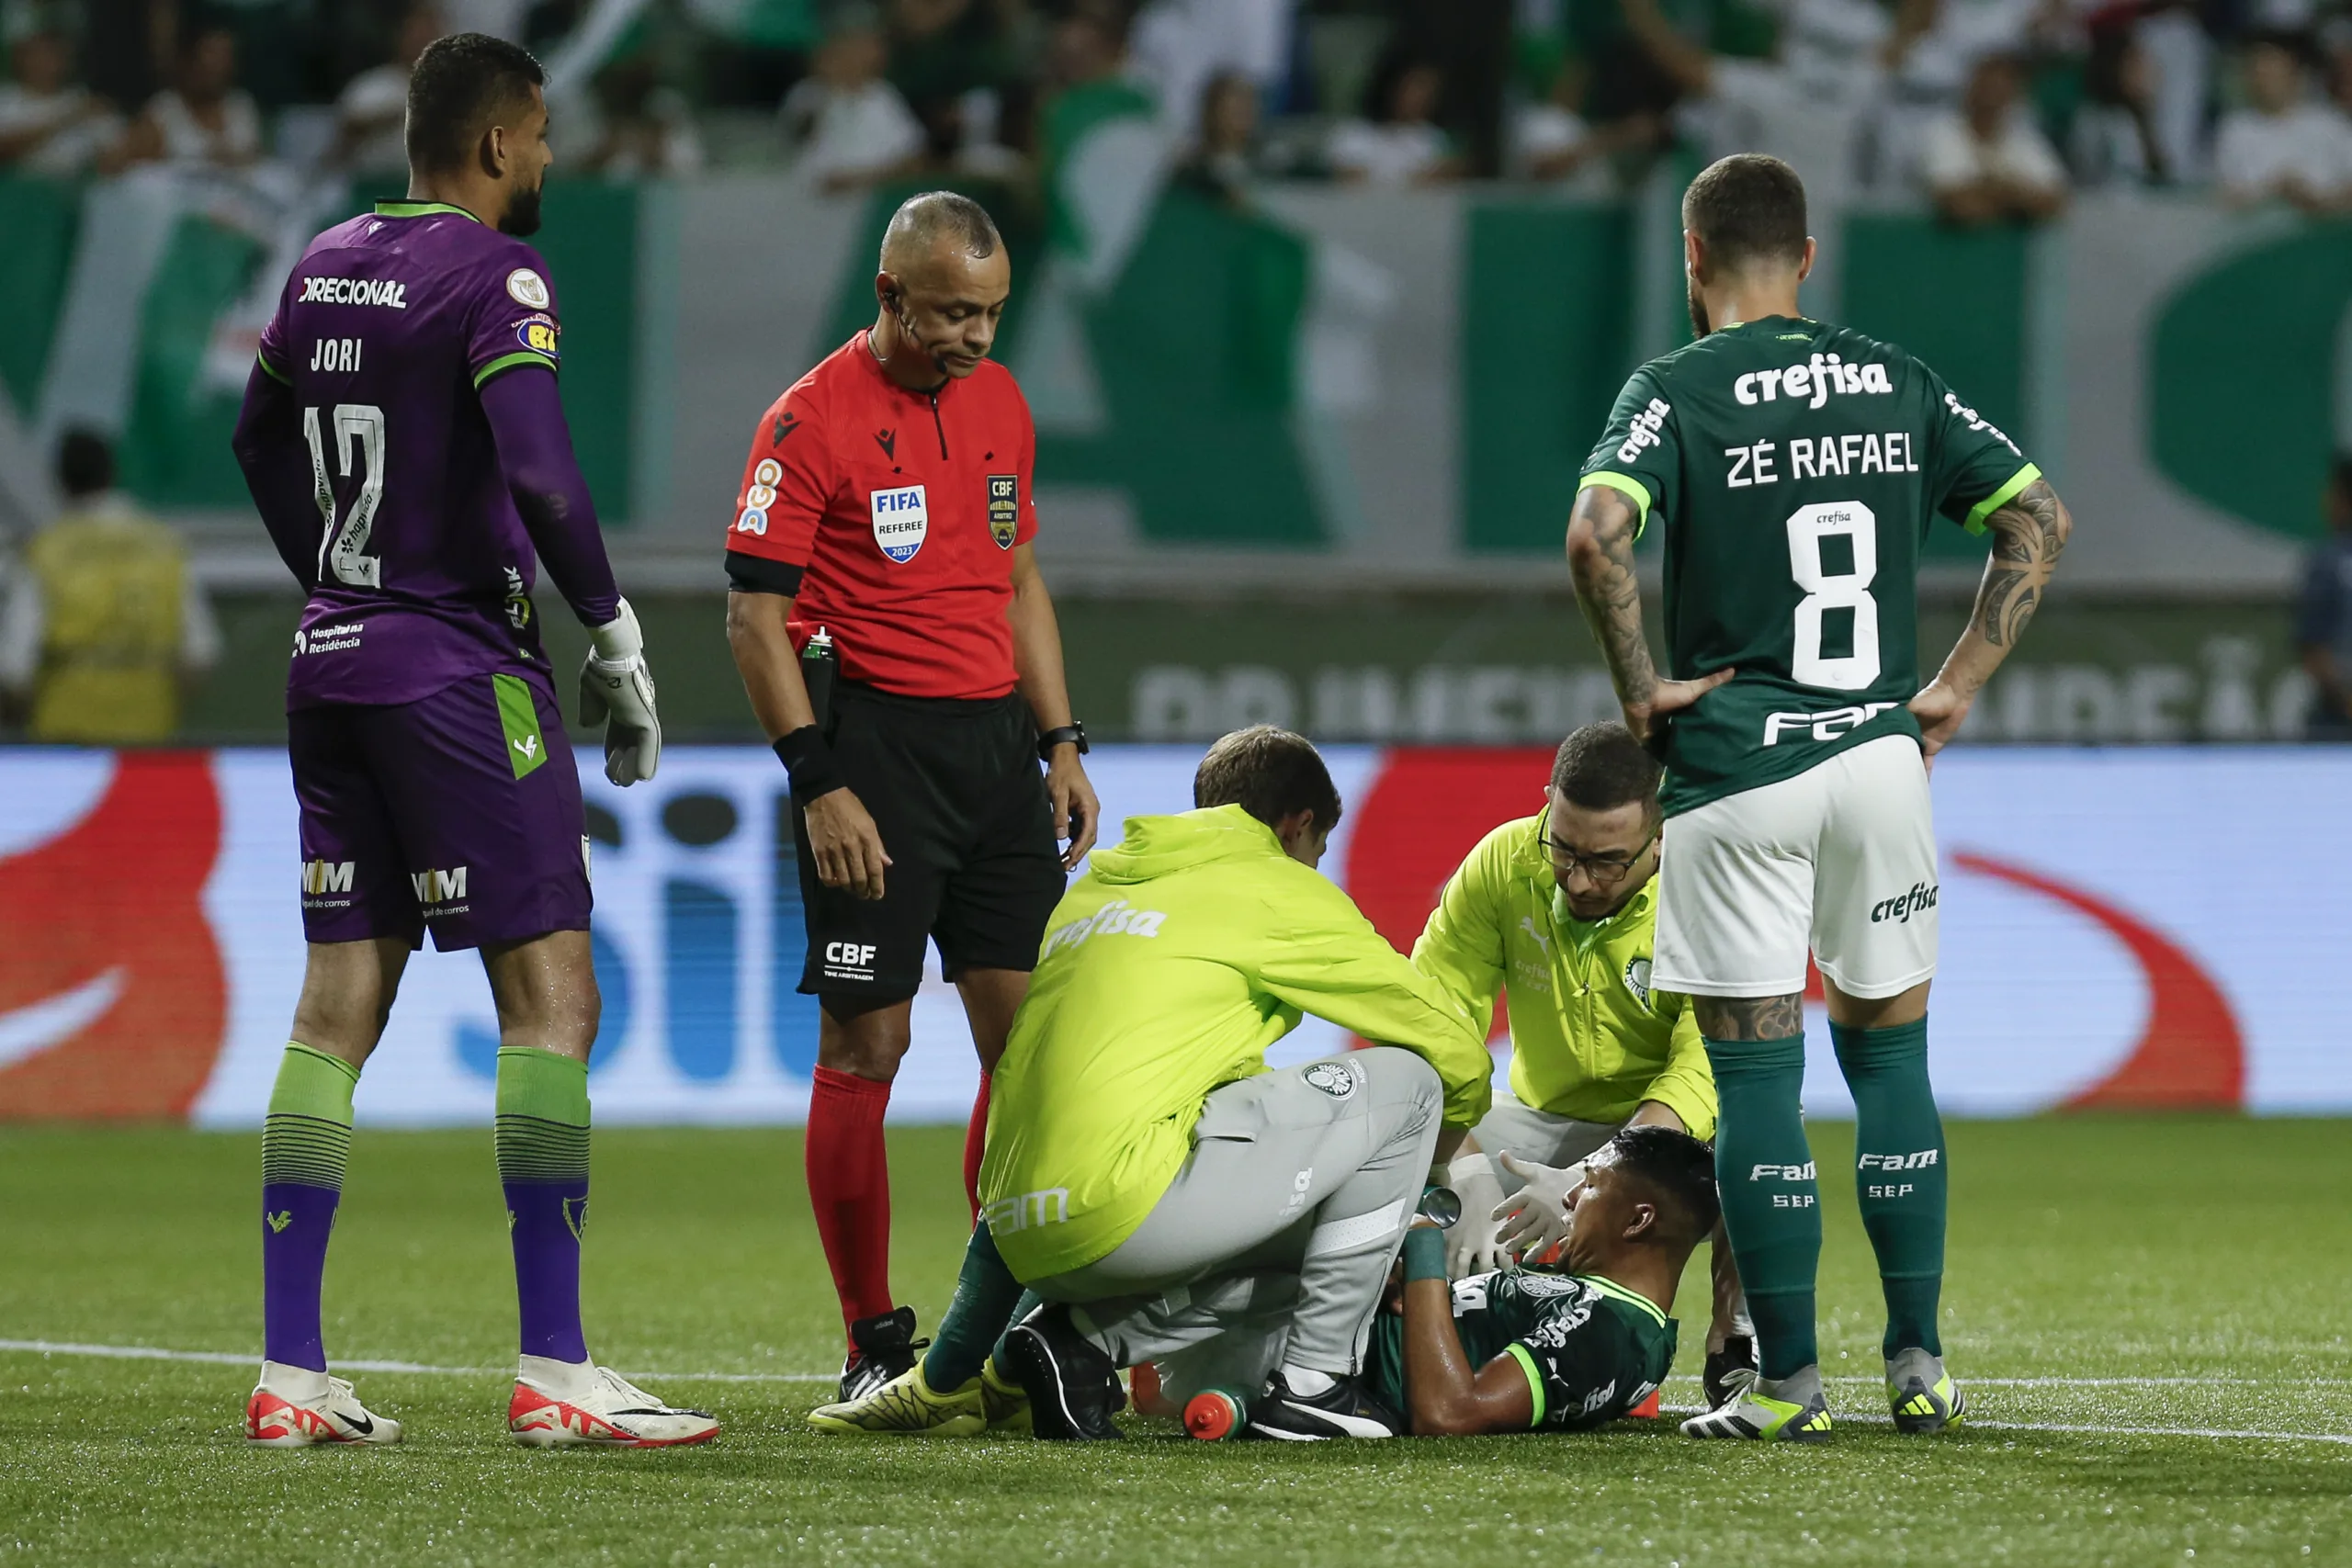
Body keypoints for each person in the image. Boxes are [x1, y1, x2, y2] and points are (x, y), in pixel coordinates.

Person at [228, 31, 708, 1450]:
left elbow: (260, 434)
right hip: (457, 667)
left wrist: (333, 576)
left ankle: (290, 1371)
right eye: (544, 136)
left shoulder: (323, 259)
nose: (550, 159)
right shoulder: (494, 273)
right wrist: (613, 634)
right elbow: (544, 472)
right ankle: (556, 1363)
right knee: (554, 998)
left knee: (335, 1006)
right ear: (497, 142)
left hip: (332, 660)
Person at [1566, 152, 2073, 1440]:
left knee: (1755, 1088)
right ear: (1805, 260)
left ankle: (1788, 1385)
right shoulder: (1894, 377)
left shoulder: (1673, 390)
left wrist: (1639, 687)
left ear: (1692, 262)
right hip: (1875, 763)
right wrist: (1954, 683)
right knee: (1892, 1058)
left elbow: (1596, 533)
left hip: (1738, 768)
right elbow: (2039, 521)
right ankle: (1922, 1362)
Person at [805, 726, 1493, 1441]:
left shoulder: (1098, 888)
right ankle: (1318, 1384)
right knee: (1410, 1083)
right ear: (1300, 826)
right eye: (1315, 855)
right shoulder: (1272, 887)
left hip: (1017, 1228)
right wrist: (1457, 1164)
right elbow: (1450, 1044)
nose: (1313, 868)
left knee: (1330, 1209)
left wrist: (948, 1371)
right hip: (1127, 1219)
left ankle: (1065, 1346)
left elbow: (1040, 1101)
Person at [723, 190, 1102, 1403]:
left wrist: (1060, 739)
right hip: (870, 754)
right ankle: (869, 1332)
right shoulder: (809, 419)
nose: (975, 336)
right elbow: (751, 614)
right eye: (950, 313)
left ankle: (1015, 1314)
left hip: (994, 755)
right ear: (890, 295)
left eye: (989, 313)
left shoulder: (1001, 404)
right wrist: (817, 781)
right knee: (867, 1041)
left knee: (1028, 1045)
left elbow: (1020, 578)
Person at [1411, 721, 1753, 1408]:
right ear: (1548, 801)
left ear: (1661, 837)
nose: (1576, 877)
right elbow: (1431, 1023)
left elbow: (1700, 1067)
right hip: (1534, 1124)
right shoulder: (1504, 864)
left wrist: (1592, 1175)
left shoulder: (1711, 893)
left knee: (1765, 1126)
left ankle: (1736, 1342)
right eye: (1563, 848)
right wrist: (1468, 1166)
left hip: (1662, 1138)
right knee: (1395, 1124)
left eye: (1606, 861)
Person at [1357, 1124, 1715, 1438]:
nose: (1568, 1197)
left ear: (1637, 1221)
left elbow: (1449, 1415)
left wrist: (1423, 1240)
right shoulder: (1607, 1311)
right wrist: (1417, 1287)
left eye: (1589, 1184)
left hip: (1339, 1363)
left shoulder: (1607, 1331)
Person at [0, 430, 219, 742]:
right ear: (113, 473)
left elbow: (14, 668)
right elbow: (200, 654)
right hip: (149, 734)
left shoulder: (45, 552)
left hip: (65, 731)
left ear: (61, 482)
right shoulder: (166, 548)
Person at [776, 16, 923, 193]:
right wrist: (831, 88)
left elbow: (913, 156)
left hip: (868, 200)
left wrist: (858, 179)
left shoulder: (883, 96)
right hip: (808, 200)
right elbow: (797, 133)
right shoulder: (806, 93)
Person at [1917, 53, 2067, 226]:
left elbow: (2056, 201)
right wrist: (2020, 195)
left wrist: (1991, 190)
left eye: (2002, 87)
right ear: (1971, 88)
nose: (1994, 94)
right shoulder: (1942, 132)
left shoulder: (2025, 139)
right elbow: (1963, 207)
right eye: (1987, 86)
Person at [2214, 34, 2352, 214]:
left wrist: (2318, 200)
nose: (2264, 80)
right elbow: (2225, 194)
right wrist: (2275, 191)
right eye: (2257, 71)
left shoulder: (2331, 124)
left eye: (2273, 69)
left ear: (2295, 73)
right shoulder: (2235, 129)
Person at [105, 25, 262, 172]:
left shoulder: (241, 105)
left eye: (225, 58)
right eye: (210, 57)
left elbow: (258, 160)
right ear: (188, 62)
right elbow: (118, 163)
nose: (217, 67)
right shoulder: (164, 111)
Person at [330, 5, 443, 176]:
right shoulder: (372, 85)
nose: (424, 42)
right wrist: (394, 116)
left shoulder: (454, 88)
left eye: (431, 33)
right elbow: (347, 132)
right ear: (399, 37)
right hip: (373, 186)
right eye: (416, 34)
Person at [1328, 53, 1462, 186]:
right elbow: (1353, 186)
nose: (1422, 99)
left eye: (1429, 92)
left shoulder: (1434, 140)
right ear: (1392, 88)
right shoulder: (1353, 135)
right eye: (1414, 89)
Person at [0, 28, 120, 175]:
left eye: (55, 55)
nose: (47, 63)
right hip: (19, 185)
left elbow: (117, 148)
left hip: (77, 185)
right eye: (39, 55)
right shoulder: (6, 99)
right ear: (21, 59)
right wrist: (66, 119)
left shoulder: (83, 99)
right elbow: (5, 149)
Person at [2294, 457, 2352, 740]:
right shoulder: (2329, 561)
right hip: (2338, 717)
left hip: (2338, 724)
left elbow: (2313, 647)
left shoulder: (2328, 562)